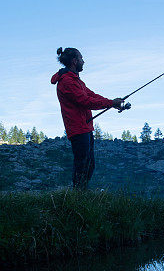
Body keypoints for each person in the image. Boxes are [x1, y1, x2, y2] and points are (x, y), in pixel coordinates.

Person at [51, 47, 124, 188]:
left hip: (84, 127)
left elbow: (91, 95)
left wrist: (113, 102)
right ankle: (78, 196)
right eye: (81, 58)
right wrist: (111, 103)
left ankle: (80, 195)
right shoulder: (67, 81)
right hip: (78, 129)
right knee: (82, 165)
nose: (83, 61)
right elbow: (86, 101)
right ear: (74, 61)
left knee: (88, 165)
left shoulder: (76, 81)